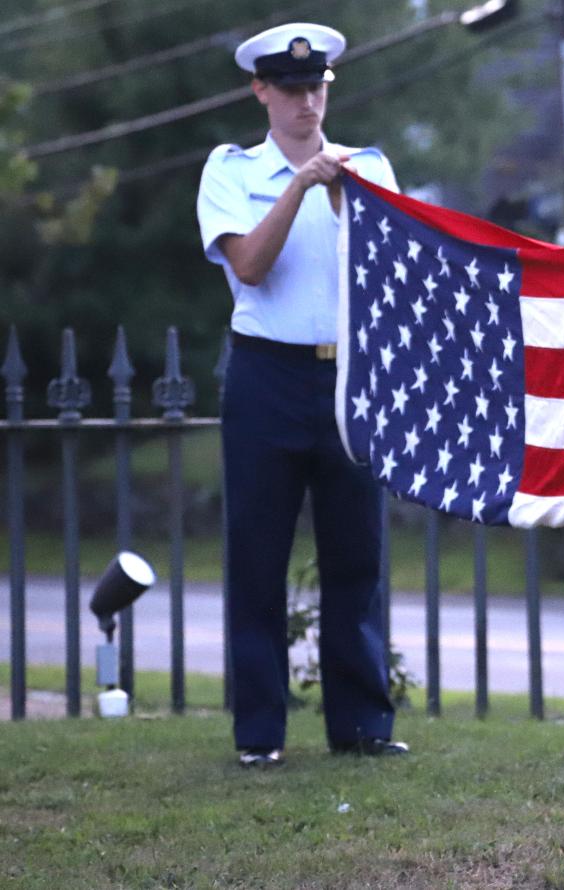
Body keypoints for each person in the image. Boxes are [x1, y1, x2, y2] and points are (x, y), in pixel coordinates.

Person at [196, 22, 408, 767]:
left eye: (317, 87)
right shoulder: (231, 171)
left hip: (348, 372)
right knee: (258, 556)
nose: (306, 102)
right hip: (266, 374)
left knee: (357, 557)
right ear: (262, 91)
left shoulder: (370, 168)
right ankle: (260, 732)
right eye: (291, 89)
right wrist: (300, 184)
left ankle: (361, 726)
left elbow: (390, 275)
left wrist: (345, 191)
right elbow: (250, 266)